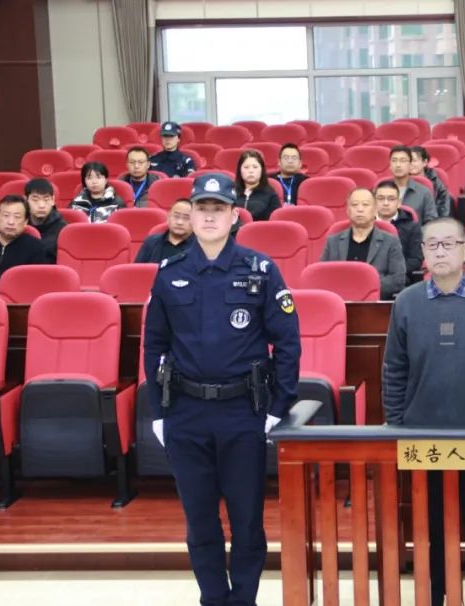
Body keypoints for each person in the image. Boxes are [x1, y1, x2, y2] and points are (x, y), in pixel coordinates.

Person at [142, 172, 300, 606]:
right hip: (186, 412)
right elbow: (153, 345)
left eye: (219, 209)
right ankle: (213, 598)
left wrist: (277, 406)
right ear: (190, 215)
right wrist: (159, 411)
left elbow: (287, 341)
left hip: (242, 412)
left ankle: (243, 599)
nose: (209, 217)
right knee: (200, 520)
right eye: (202, 209)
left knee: (247, 519)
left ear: (234, 216)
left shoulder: (261, 270)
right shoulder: (169, 273)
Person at [382, 216, 465, 606]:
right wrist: (396, 423)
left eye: (449, 244)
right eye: (432, 245)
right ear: (422, 252)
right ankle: (435, 590)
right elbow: (394, 369)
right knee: (430, 522)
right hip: (423, 434)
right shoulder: (406, 303)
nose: (440, 252)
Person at [319, 188, 407, 300]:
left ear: (375, 210)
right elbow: (322, 276)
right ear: (348, 211)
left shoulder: (391, 242)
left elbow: (397, 279)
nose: (360, 209)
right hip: (340, 302)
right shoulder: (333, 242)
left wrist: (366, 289)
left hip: (375, 303)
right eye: (354, 205)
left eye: (365, 205)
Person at [373, 180, 423, 277]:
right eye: (381, 198)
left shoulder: (412, 227)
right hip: (368, 277)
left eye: (391, 199)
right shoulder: (364, 225)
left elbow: (415, 260)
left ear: (399, 202)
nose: (385, 203)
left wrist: (393, 271)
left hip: (400, 277)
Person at [135, 199, 194, 263]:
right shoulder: (151, 242)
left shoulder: (200, 246)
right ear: (168, 217)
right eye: (176, 216)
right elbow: (138, 268)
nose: (179, 222)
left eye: (186, 218)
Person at [390, 145, 437, 224]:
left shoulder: (424, 193)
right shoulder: (379, 190)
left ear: (410, 165)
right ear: (390, 165)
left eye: (403, 161)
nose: (398, 165)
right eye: (394, 160)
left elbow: (431, 224)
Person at [24, 178, 66, 263]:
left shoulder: (62, 229)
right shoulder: (19, 224)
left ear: (53, 200)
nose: (41, 205)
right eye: (35, 200)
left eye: (46, 200)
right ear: (26, 200)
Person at [234, 150, 281, 221]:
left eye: (255, 167)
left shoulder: (271, 194)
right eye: (246, 167)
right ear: (239, 170)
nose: (251, 171)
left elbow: (274, 222)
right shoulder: (231, 192)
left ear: (262, 170)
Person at [409, 146, 453, 218]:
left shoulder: (436, 183)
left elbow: (444, 210)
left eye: (414, 160)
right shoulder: (401, 181)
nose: (410, 164)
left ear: (425, 162)